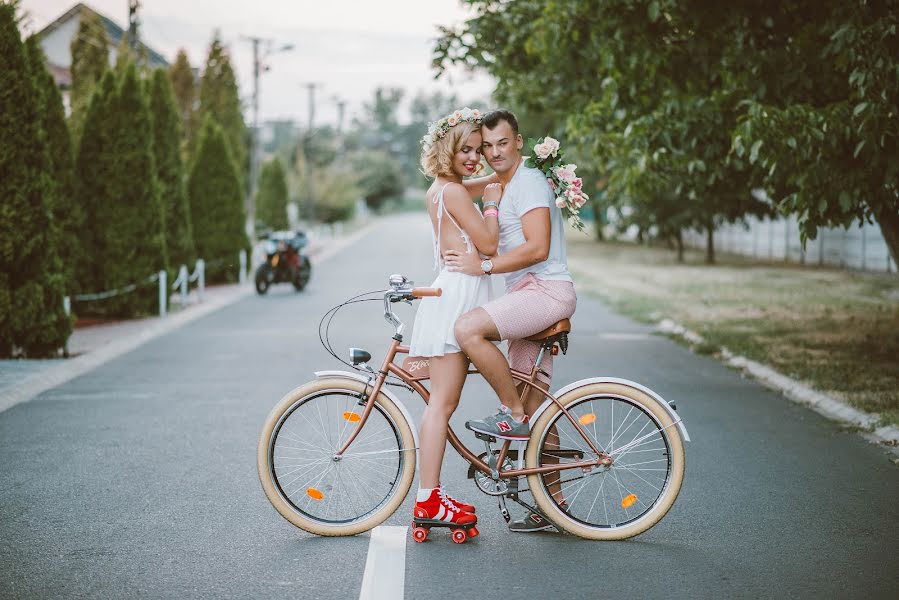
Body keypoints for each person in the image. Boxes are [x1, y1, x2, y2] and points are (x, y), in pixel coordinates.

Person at [445, 109, 577, 531]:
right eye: (486, 146)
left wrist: (483, 266)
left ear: (518, 142)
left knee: (467, 328)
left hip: (546, 291)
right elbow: (455, 190)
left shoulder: (530, 182)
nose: (494, 152)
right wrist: (446, 170)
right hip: (526, 294)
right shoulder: (503, 181)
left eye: (502, 143)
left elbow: (538, 248)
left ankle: (511, 411)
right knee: (540, 415)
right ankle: (554, 508)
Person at [408, 107, 503, 529]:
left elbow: (479, 183)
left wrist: (498, 180)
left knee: (441, 404)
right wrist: (495, 207)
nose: (473, 158)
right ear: (448, 148)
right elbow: (488, 244)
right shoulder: (456, 194)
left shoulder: (441, 189)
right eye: (465, 150)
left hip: (451, 293)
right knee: (442, 405)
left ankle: (430, 494)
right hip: (458, 298)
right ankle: (428, 497)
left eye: (478, 150)